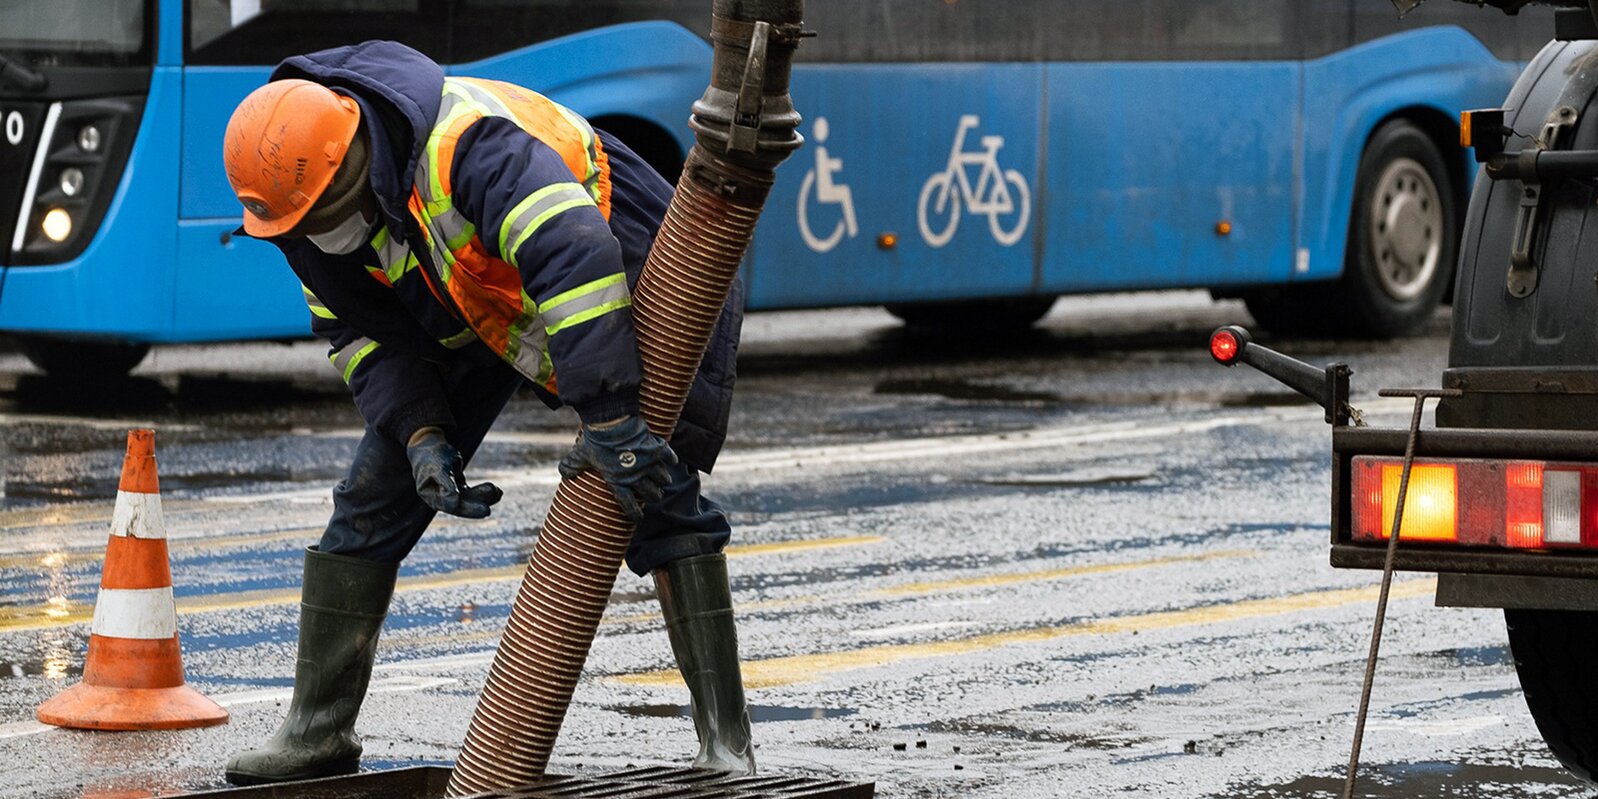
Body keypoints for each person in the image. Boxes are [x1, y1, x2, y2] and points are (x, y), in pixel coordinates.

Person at [219, 40, 752, 785]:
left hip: (623, 257)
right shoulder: (301, 218)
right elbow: (359, 332)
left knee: (650, 483)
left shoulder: (466, 148)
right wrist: (422, 433)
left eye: (323, 220)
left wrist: (608, 417)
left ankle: (727, 743)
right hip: (471, 299)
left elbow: (573, 257)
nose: (315, 239)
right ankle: (316, 731)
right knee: (372, 497)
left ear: (357, 164)